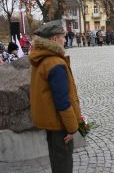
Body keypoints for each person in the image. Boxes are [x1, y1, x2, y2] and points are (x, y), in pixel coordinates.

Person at [29, 20, 82, 173]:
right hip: (60, 125)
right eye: (63, 36)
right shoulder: (55, 63)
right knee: (63, 163)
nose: (65, 40)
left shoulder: (41, 58)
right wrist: (72, 128)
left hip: (50, 121)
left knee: (56, 160)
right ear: (54, 39)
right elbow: (62, 101)